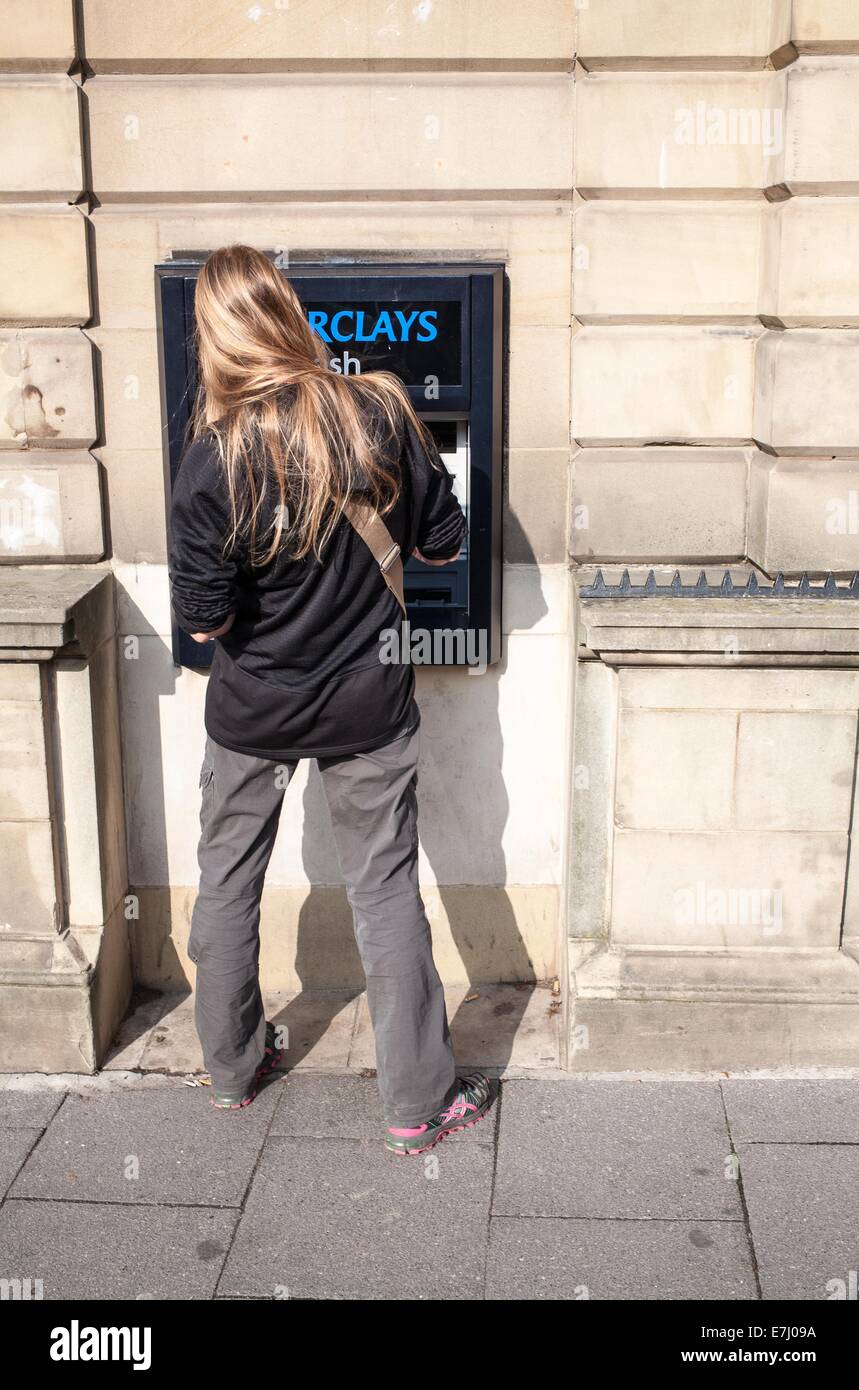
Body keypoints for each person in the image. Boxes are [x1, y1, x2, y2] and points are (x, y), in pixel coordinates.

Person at [167, 245, 497, 1155]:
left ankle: (234, 1071)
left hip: (252, 708)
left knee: (228, 880)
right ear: (289, 310)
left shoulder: (210, 459)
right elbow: (440, 544)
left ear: (213, 335)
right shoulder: (381, 412)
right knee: (385, 891)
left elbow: (202, 623)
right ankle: (415, 1106)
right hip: (368, 702)